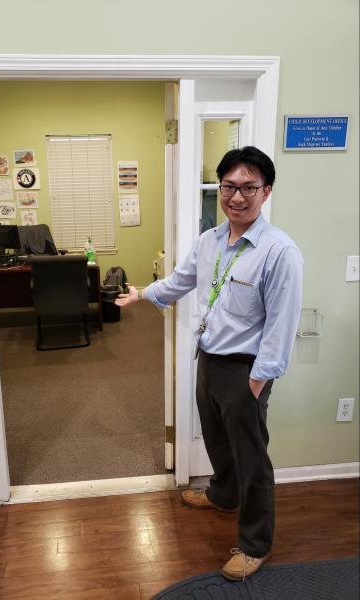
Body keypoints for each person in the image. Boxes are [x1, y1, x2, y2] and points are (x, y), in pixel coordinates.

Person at [115, 146, 303, 580]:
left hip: (246, 370)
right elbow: (181, 281)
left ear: (266, 191)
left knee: (251, 459)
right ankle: (222, 494)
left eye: (248, 188)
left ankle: (255, 544)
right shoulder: (210, 241)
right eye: (229, 187)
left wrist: (258, 380)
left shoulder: (279, 252)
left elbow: (282, 324)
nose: (237, 197)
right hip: (210, 358)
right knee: (217, 441)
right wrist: (143, 294)